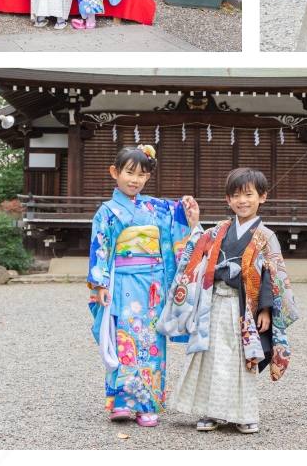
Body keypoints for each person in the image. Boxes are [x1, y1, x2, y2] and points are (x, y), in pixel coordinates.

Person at [163, 168, 298, 434]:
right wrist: (194, 223)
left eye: (248, 195)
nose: (242, 201)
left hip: (245, 308)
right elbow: (198, 249)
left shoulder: (266, 236)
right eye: (236, 195)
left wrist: (267, 309)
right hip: (214, 303)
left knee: (241, 359)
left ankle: (244, 414)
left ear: (263, 197)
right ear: (228, 199)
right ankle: (211, 412)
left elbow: (271, 274)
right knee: (210, 357)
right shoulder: (219, 231)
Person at [87, 145, 200, 427]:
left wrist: (187, 209)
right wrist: (100, 284)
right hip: (123, 282)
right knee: (123, 338)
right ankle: (121, 402)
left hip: (153, 284)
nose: (134, 179)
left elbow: (179, 221)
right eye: (129, 173)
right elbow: (100, 247)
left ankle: (148, 403)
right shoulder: (107, 212)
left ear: (148, 177)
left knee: (151, 341)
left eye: (141, 174)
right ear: (115, 172)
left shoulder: (156, 208)